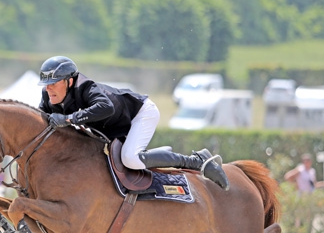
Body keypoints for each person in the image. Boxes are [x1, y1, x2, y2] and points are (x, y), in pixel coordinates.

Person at [37, 56, 229, 190]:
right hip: (115, 128)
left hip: (141, 113)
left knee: (131, 159)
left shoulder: (88, 88)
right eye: (46, 84)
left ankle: (196, 160)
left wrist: (69, 119)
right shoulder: (48, 97)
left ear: (70, 81)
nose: (49, 89)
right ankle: (155, 156)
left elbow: (106, 108)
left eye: (54, 83)